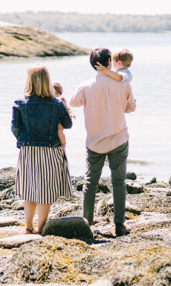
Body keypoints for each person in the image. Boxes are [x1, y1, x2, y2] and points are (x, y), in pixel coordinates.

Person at [69, 48, 136, 236]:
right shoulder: (123, 84)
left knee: (90, 182)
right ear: (108, 62)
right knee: (119, 182)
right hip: (118, 138)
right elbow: (131, 108)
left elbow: (73, 103)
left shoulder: (85, 86)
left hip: (94, 141)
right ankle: (119, 224)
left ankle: (87, 223)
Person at [11, 66, 74, 234]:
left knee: (29, 190)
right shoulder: (56, 103)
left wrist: (24, 141)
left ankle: (28, 227)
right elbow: (68, 124)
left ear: (29, 81)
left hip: (28, 150)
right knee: (45, 191)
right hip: (51, 150)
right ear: (47, 80)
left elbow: (15, 128)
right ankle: (41, 228)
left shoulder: (20, 102)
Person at [52, 82, 75, 150]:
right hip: (55, 119)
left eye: (56, 93)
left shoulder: (61, 99)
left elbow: (67, 108)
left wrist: (70, 113)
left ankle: (63, 144)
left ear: (59, 93)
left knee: (59, 130)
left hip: (60, 120)